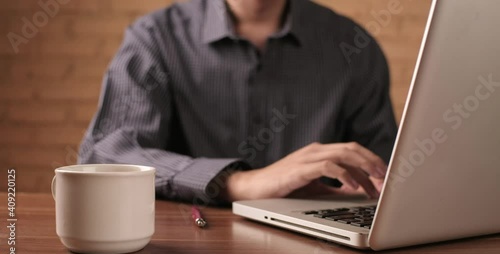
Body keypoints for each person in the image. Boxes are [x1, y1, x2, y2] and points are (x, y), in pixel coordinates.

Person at [78, 0, 398, 205]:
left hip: (322, 248)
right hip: (189, 251)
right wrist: (236, 182)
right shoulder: (155, 38)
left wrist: (375, 189)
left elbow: (388, 168)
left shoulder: (354, 46)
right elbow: (104, 155)